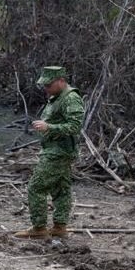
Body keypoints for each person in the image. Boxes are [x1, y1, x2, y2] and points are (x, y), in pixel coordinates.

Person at [14, 66, 85, 239]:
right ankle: (59, 227)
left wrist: (49, 127)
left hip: (58, 152)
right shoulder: (57, 96)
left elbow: (75, 126)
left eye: (48, 85)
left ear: (61, 80)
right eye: (44, 85)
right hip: (55, 149)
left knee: (36, 187)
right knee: (60, 189)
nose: (45, 88)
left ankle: (39, 229)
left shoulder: (71, 98)